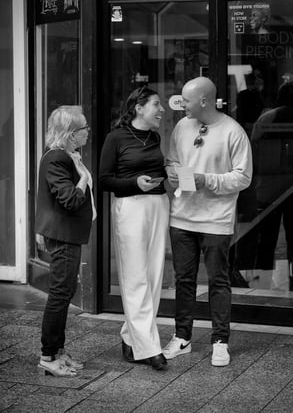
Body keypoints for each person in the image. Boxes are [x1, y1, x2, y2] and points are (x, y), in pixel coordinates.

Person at [163, 77, 252, 366]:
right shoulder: (181, 127)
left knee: (218, 282)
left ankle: (220, 341)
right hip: (181, 217)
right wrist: (174, 173)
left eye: (186, 100)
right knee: (183, 280)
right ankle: (182, 337)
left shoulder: (233, 131)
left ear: (203, 101)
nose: (181, 105)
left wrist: (207, 180)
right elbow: (172, 160)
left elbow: (243, 177)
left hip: (216, 220)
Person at [99, 86, 169, 371]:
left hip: (158, 205)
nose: (162, 109)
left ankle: (131, 337)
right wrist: (134, 183)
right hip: (130, 208)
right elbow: (105, 180)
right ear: (139, 108)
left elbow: (158, 171)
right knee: (135, 276)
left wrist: (168, 177)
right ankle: (149, 347)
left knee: (153, 276)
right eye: (156, 104)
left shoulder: (155, 136)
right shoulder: (115, 138)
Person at [36, 105, 96, 377]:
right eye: (84, 128)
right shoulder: (58, 158)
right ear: (72, 133)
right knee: (60, 295)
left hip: (67, 235)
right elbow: (70, 199)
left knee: (65, 292)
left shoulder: (67, 155)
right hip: (63, 236)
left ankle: (58, 351)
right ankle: (48, 355)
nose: (88, 132)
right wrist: (83, 178)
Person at [251, 80, 293, 291]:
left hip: (268, 188)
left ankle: (262, 284)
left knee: (265, 241)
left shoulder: (268, 117)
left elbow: (253, 149)